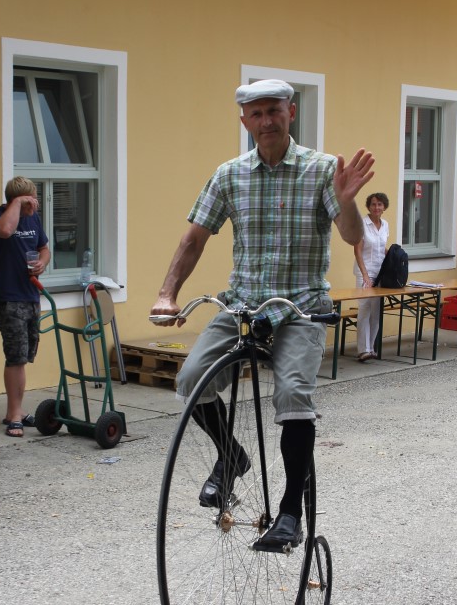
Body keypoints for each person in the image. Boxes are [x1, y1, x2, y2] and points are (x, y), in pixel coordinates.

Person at [150, 78, 375, 552]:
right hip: (243, 306)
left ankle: (291, 511)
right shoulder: (229, 174)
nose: (266, 120)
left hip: (301, 308)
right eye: (256, 113)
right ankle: (231, 456)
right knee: (191, 380)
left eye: (274, 110)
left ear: (291, 113)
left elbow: (352, 234)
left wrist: (348, 200)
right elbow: (193, 239)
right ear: (244, 121)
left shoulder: (321, 170)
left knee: (292, 394)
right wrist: (168, 294)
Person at [0, 177, 50, 436]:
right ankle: (14, 415)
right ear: (17, 199)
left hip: (31, 295)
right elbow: (4, 231)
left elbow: (44, 247)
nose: (36, 203)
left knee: (25, 355)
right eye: (32, 198)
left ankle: (18, 410)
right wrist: (18, 204)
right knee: (16, 357)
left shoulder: (34, 219)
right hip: (7, 296)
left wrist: (42, 263)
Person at [353, 192, 390, 361]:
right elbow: (357, 250)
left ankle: (371, 347)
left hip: (379, 272)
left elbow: (382, 248)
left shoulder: (385, 225)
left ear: (384, 207)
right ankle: (363, 350)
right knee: (365, 309)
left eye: (380, 204)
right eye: (374, 204)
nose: (377, 207)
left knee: (376, 311)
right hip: (365, 272)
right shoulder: (361, 223)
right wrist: (365, 275)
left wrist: (394, 257)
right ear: (369, 206)